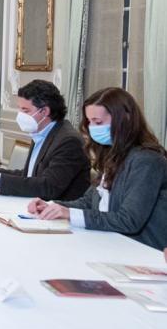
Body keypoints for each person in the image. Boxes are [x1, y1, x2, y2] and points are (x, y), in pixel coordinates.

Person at [29, 87, 167, 250]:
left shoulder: (147, 160)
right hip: (110, 243)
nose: (92, 128)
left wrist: (70, 214)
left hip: (141, 251)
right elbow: (89, 202)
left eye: (98, 122)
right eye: (90, 122)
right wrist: (52, 206)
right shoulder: (113, 153)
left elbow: (129, 221)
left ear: (125, 119)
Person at [0, 80, 89, 200]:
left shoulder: (68, 141)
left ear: (44, 111)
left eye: (25, 110)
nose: (20, 115)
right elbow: (30, 175)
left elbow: (48, 186)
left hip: (58, 214)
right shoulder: (42, 132)